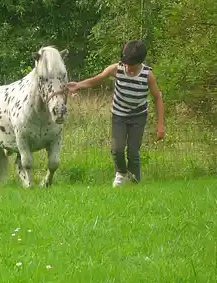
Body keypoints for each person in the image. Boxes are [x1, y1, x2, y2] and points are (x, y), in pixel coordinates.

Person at [67, 40, 165, 187]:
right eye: (125, 63)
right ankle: (121, 173)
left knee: (133, 151)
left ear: (140, 62)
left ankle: (135, 180)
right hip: (119, 115)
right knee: (117, 148)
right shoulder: (116, 69)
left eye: (131, 65)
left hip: (138, 116)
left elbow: (157, 98)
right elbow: (97, 79)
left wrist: (160, 125)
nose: (128, 68)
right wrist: (78, 85)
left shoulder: (147, 75)